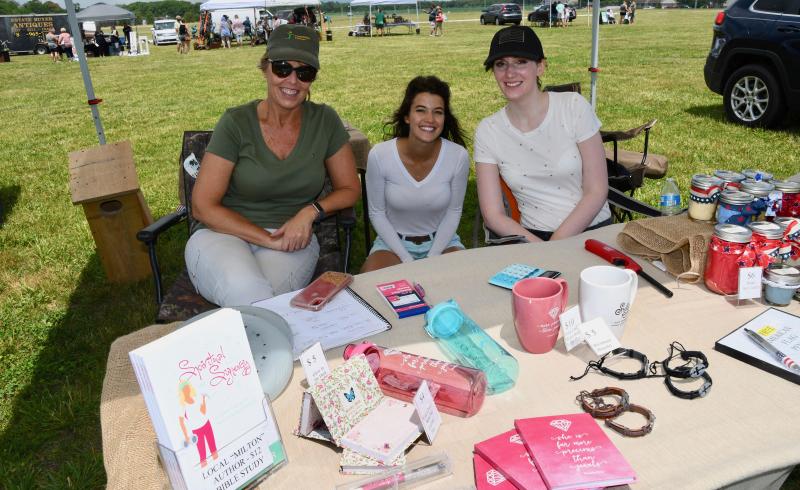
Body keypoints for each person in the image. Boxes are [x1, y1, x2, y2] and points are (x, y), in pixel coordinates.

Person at [185, 25, 360, 307]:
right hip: (222, 234)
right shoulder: (236, 123)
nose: (292, 80)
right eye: (282, 68)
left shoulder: (325, 121)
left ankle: (206, 348)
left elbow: (350, 188)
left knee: (261, 306)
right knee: (248, 293)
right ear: (265, 68)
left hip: (292, 240)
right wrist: (267, 239)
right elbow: (203, 206)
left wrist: (310, 211)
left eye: (304, 72)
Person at [474, 26, 610, 243]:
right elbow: (493, 216)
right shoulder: (489, 130)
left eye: (521, 62)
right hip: (531, 239)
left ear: (540, 67)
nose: (510, 73)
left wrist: (554, 246)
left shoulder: (573, 107)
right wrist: (539, 249)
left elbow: (597, 190)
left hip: (593, 232)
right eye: (501, 64)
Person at [361, 76, 469, 272]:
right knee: (371, 288)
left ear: (445, 118)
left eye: (438, 112)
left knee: (465, 283)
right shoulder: (380, 155)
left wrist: (433, 256)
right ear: (407, 116)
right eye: (421, 110)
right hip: (392, 244)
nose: (430, 119)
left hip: (443, 242)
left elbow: (454, 212)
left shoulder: (458, 156)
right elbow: (377, 213)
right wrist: (405, 259)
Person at [177, 381, 218, 469]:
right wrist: (186, 436)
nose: (187, 390)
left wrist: (203, 399)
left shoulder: (196, 398)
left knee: (214, 449)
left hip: (206, 424)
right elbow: (181, 421)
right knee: (202, 455)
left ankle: (218, 465)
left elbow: (203, 411)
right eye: (184, 389)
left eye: (187, 388)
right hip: (197, 430)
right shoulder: (183, 406)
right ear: (182, 392)